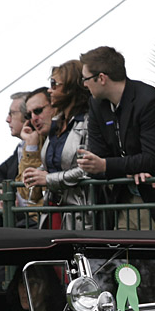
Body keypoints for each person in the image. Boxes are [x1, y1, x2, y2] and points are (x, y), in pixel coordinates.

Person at [77, 45, 155, 230]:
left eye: (85, 79)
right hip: (124, 201)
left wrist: (108, 166)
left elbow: (150, 159)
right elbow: (98, 157)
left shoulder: (149, 100)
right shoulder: (96, 105)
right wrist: (129, 168)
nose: (84, 85)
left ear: (101, 78)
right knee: (126, 259)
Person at [21, 61, 94, 230]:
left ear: (70, 88)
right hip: (54, 209)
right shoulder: (56, 124)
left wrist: (47, 178)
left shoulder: (88, 122)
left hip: (80, 215)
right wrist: (36, 172)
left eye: (54, 84)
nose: (49, 89)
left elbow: (87, 170)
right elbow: (55, 164)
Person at [14, 87, 54, 221]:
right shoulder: (35, 139)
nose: (34, 119)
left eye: (38, 111)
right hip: (40, 217)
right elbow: (26, 191)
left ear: (54, 107)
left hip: (59, 215)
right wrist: (31, 146)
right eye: (29, 115)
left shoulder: (72, 132)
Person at [0, 92, 27, 200]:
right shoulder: (21, 148)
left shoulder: (44, 147)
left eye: (12, 113)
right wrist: (4, 192)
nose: (7, 119)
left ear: (27, 115)